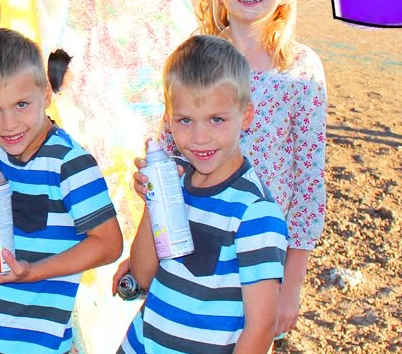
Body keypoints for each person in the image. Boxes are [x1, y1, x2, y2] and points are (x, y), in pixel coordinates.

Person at [113, 0, 327, 340]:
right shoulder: (196, 55)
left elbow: (308, 186)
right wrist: (147, 246)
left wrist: (292, 284)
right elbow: (169, 153)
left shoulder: (301, 71)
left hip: (256, 255)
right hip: (192, 237)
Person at [0, 28, 123, 354]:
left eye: (21, 104)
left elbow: (110, 244)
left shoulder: (69, 163)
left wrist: (34, 272)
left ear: (46, 94)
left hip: (31, 344)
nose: (9, 124)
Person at [119, 35, 288, 354]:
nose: (199, 138)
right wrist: (153, 202)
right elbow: (142, 275)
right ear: (168, 119)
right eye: (185, 120)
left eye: (216, 120)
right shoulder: (176, 184)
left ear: (246, 115)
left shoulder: (255, 213)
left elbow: (261, 324)